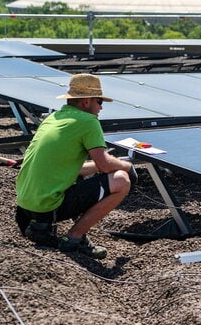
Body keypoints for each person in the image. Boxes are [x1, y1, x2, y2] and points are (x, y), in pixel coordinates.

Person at [15, 73, 135, 259]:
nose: (101, 107)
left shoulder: (54, 117)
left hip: (26, 206)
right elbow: (104, 165)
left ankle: (41, 227)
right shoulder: (88, 122)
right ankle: (75, 238)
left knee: (93, 174)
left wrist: (106, 165)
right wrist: (126, 165)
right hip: (48, 206)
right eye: (99, 101)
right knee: (121, 181)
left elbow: (73, 168)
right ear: (86, 101)